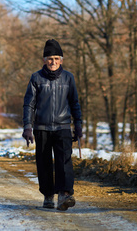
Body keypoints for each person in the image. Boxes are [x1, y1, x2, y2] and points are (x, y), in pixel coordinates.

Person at [22, 39, 83, 211]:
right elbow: (29, 104)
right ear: (44, 60)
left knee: (64, 161)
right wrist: (27, 126)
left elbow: (75, 103)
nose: (53, 62)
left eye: (57, 58)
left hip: (63, 126)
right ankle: (48, 195)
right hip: (41, 127)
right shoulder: (36, 78)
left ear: (61, 60)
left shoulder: (68, 78)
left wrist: (78, 125)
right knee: (44, 163)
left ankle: (64, 194)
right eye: (50, 58)